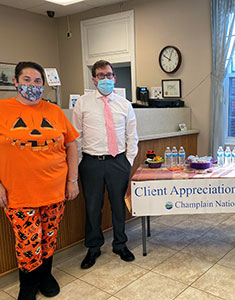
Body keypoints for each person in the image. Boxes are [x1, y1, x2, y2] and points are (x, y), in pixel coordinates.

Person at [0, 61, 79, 300]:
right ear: (16, 82)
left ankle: (45, 275)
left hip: (54, 189)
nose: (32, 86)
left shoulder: (53, 111)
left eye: (37, 82)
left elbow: (71, 144)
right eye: (27, 80)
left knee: (48, 236)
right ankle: (28, 284)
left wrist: (72, 180)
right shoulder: (2, 109)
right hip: (18, 191)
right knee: (28, 240)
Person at [72, 60, 138, 269]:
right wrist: (81, 163)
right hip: (91, 163)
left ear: (114, 78)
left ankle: (120, 244)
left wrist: (127, 161)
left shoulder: (124, 104)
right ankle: (93, 248)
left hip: (118, 161)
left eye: (109, 75)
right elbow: (76, 136)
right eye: (101, 75)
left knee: (119, 206)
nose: (105, 79)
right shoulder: (83, 103)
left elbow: (132, 136)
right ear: (93, 79)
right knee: (92, 207)